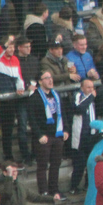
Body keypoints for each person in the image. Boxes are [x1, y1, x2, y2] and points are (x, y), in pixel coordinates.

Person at [27, 70, 68, 198]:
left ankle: (54, 189)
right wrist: (39, 135)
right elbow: (32, 119)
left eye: (51, 77)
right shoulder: (34, 97)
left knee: (56, 164)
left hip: (57, 135)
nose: (50, 80)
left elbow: (63, 113)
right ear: (40, 81)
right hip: (44, 137)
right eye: (46, 78)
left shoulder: (56, 95)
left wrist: (65, 129)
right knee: (42, 165)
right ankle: (43, 191)